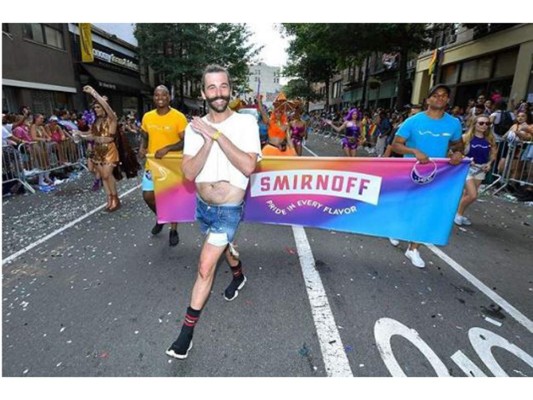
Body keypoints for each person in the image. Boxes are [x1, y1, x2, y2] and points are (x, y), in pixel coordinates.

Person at [166, 64, 262, 360]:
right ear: (203, 92)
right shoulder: (194, 128)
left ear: (230, 88)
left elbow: (249, 166)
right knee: (223, 250)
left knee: (206, 266)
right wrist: (206, 140)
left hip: (229, 209)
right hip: (204, 208)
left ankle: (185, 335)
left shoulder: (246, 123)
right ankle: (238, 275)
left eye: (223, 86)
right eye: (212, 87)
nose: (218, 93)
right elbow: (188, 173)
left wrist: (218, 136)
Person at [391, 83, 464, 269]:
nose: (439, 98)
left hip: (438, 175)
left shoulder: (454, 123)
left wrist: (456, 154)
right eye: (435, 95)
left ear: (448, 100)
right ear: (428, 99)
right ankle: (396, 228)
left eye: (443, 95)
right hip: (412, 173)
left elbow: (458, 145)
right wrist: (413, 150)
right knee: (407, 207)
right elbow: (396, 144)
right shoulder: (414, 121)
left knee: (427, 210)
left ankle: (413, 248)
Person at [139, 85, 188, 247]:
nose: (160, 98)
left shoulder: (178, 117)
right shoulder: (147, 117)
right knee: (148, 196)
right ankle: (162, 218)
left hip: (172, 165)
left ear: (169, 97)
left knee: (171, 199)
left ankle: (173, 230)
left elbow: (186, 141)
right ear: (153, 97)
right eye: (157, 95)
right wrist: (142, 147)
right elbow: (145, 135)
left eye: (163, 95)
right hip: (152, 164)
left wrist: (167, 148)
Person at [77, 85, 121, 211]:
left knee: (107, 174)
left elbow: (108, 108)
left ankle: (115, 198)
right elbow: (92, 136)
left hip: (109, 150)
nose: (96, 109)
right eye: (94, 107)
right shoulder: (96, 122)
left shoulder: (112, 119)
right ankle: (110, 198)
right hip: (97, 150)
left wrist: (93, 92)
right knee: (103, 176)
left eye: (98, 107)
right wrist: (79, 135)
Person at [454, 115, 497, 226]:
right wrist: (466, 159)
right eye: (481, 123)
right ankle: (457, 214)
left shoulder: (490, 139)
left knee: (467, 194)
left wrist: (489, 164)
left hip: (481, 169)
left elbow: (493, 154)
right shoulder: (465, 138)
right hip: (466, 168)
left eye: (487, 124)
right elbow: (455, 152)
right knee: (473, 195)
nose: (484, 126)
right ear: (475, 124)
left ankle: (460, 214)